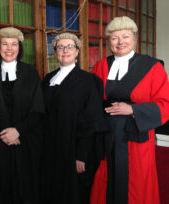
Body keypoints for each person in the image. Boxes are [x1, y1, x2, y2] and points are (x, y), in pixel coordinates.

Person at [90, 16, 169, 204]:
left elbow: (165, 104)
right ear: (109, 41)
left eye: (125, 36)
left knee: (136, 185)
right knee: (106, 180)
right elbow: (92, 101)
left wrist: (132, 109)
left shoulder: (153, 67)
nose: (120, 42)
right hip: (107, 134)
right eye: (114, 38)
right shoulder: (101, 65)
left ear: (133, 38)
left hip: (136, 135)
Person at [41, 33, 107, 204]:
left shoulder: (89, 81)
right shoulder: (48, 79)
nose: (65, 50)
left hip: (74, 149)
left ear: (77, 51)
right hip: (51, 149)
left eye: (70, 46)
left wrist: (82, 155)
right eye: (60, 47)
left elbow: (91, 120)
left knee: (74, 195)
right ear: (55, 52)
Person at [0, 27, 45, 204]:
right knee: (1, 189)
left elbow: (38, 110)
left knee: (25, 190)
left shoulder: (30, 73)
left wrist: (18, 131)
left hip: (25, 141)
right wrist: (5, 133)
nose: (9, 48)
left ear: (19, 48)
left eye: (14, 44)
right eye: (5, 44)